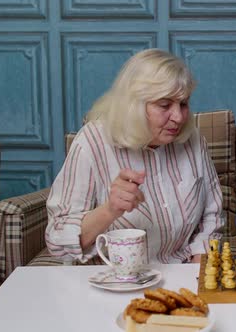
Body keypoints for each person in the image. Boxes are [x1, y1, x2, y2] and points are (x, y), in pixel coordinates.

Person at [45, 49, 224, 264]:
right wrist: (110, 210)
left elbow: (212, 216)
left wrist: (198, 272)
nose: (178, 117)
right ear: (135, 105)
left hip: (181, 273)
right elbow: (57, 243)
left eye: (183, 104)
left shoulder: (193, 140)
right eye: (165, 105)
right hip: (112, 281)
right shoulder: (92, 142)